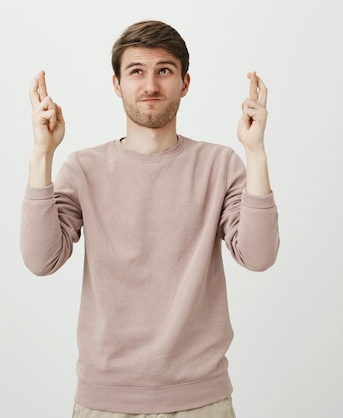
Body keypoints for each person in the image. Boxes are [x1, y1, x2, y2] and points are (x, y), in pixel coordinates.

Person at [20, 20, 279, 417]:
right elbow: (41, 260)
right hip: (104, 401)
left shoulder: (219, 165)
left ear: (185, 83)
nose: (151, 85)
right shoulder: (84, 168)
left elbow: (258, 256)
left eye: (164, 71)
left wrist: (255, 151)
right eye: (136, 71)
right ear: (117, 84)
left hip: (201, 401)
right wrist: (42, 155)